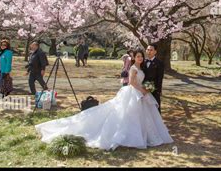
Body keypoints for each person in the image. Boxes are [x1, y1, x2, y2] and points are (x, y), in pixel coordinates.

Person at [35, 49, 173, 150]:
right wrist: (142, 90)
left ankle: (145, 136)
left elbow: (143, 80)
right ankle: (129, 136)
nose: (140, 58)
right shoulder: (133, 68)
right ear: (134, 58)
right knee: (127, 114)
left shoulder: (140, 67)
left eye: (141, 56)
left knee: (142, 116)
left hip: (141, 93)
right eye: (138, 56)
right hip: (133, 93)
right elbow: (132, 82)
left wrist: (146, 89)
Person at [143, 44, 165, 114]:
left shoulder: (159, 63)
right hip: (142, 89)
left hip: (154, 90)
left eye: (151, 50)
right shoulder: (143, 62)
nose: (149, 52)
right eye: (148, 50)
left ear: (155, 52)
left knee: (155, 108)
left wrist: (158, 90)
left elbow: (160, 78)